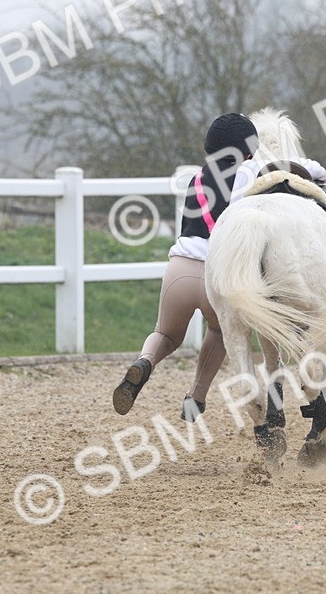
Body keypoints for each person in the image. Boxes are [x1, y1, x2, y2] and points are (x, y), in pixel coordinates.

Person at [112, 113, 259, 421]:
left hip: (180, 269)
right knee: (218, 330)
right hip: (217, 275)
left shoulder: (198, 178)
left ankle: (144, 362)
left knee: (165, 334)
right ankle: (196, 396)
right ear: (248, 151)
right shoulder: (250, 174)